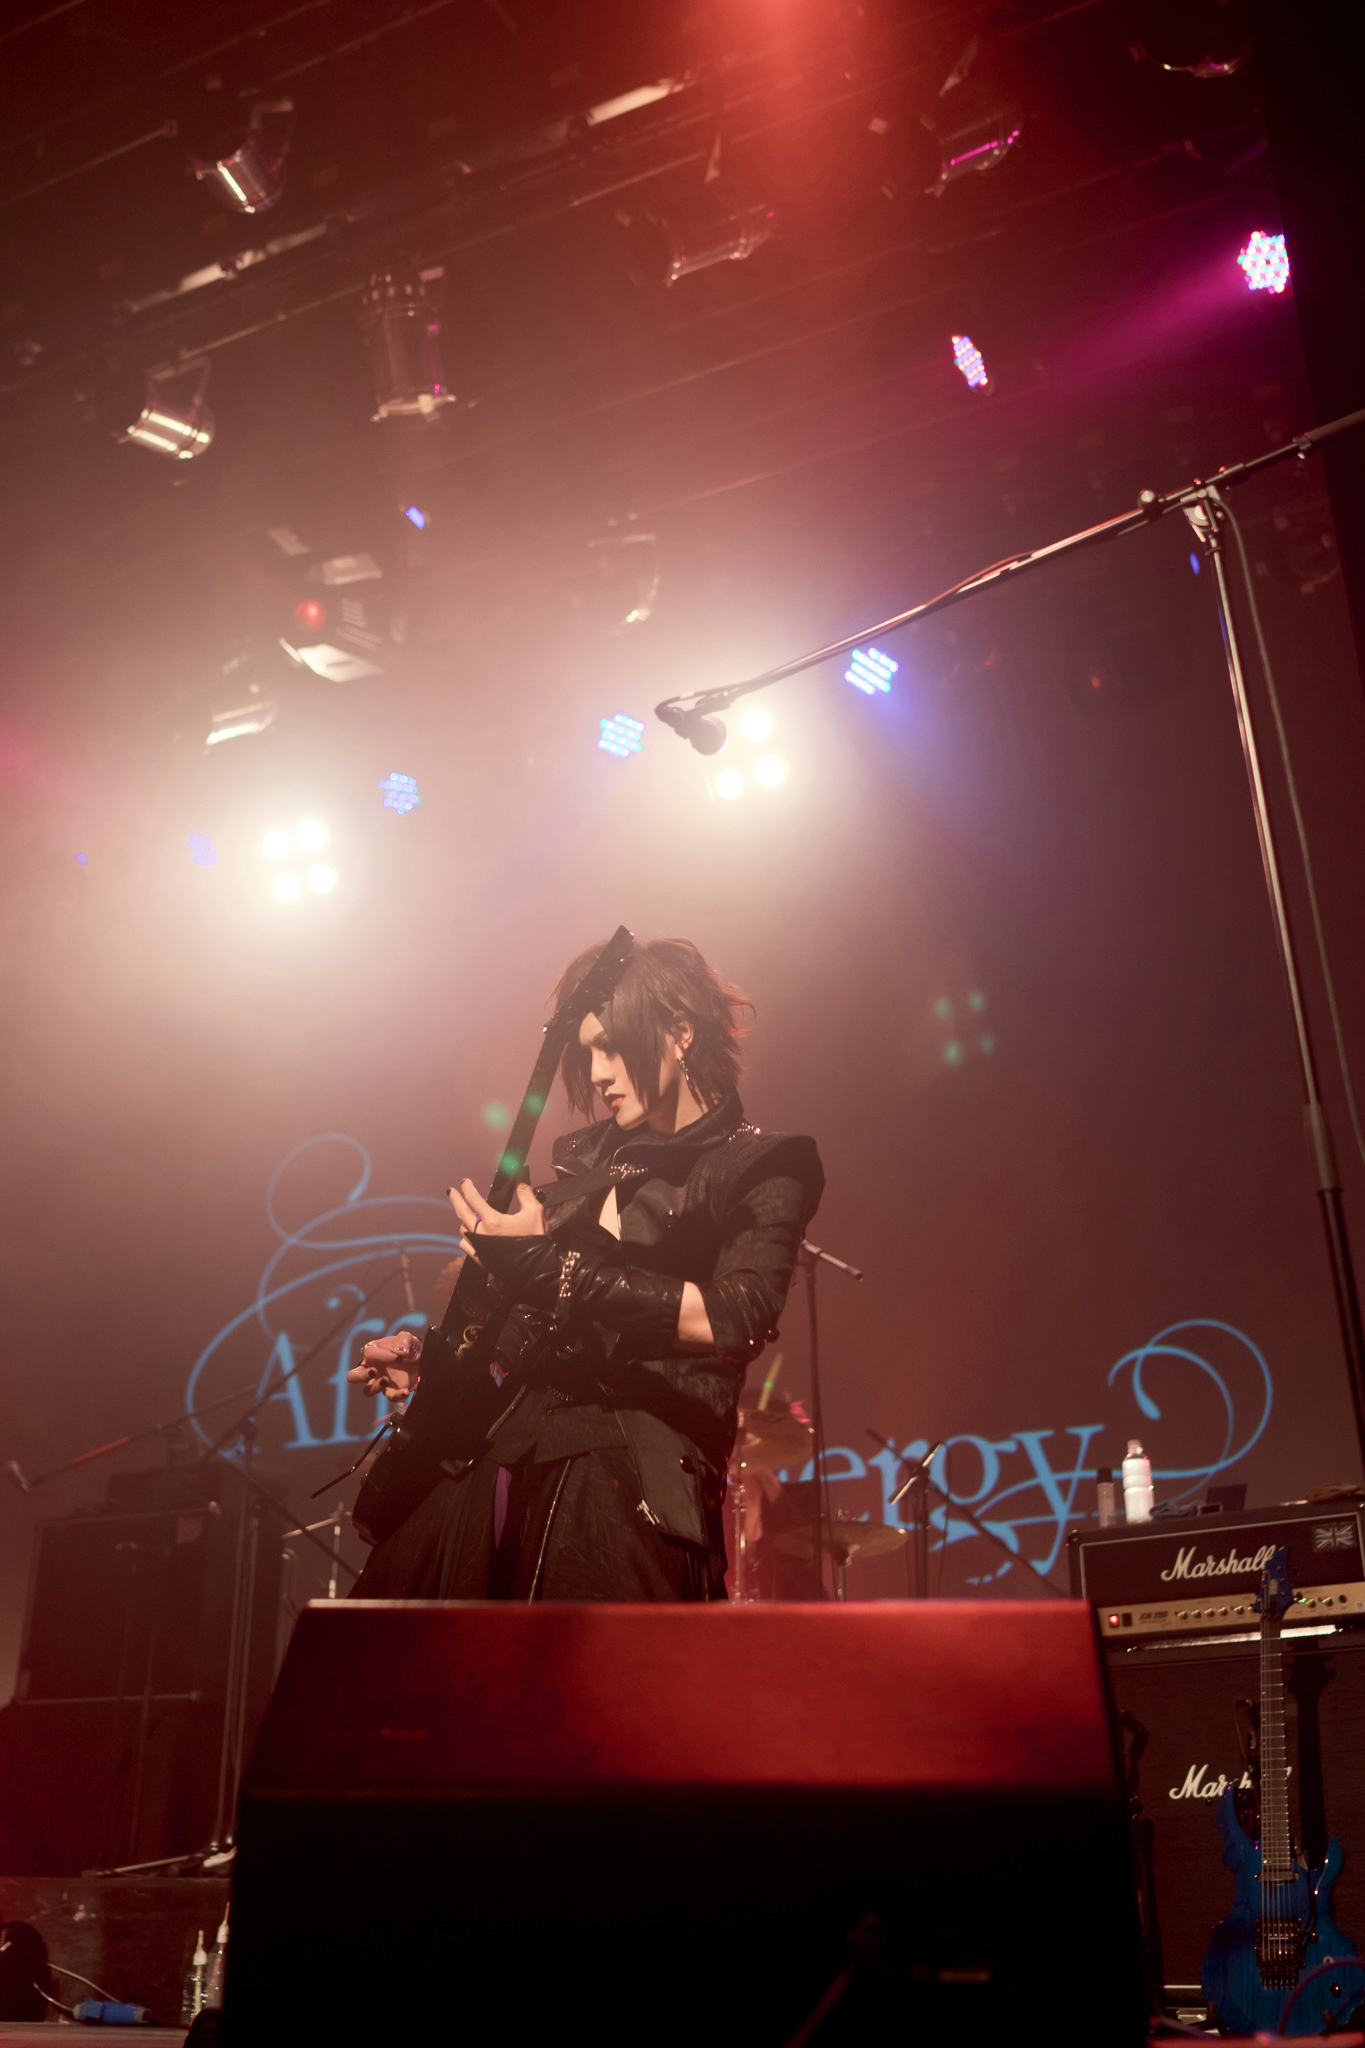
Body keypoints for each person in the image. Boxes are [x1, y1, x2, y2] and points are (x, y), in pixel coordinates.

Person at [349, 936, 823, 1602]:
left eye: (612, 1048)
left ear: (680, 1032)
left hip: (628, 1478)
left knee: (586, 1665)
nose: (597, 1073)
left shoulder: (763, 1165)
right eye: (588, 1052)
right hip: (496, 1465)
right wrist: (434, 1363)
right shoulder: (583, 1167)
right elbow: (530, 1330)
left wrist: (552, 1268)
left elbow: (737, 1315)